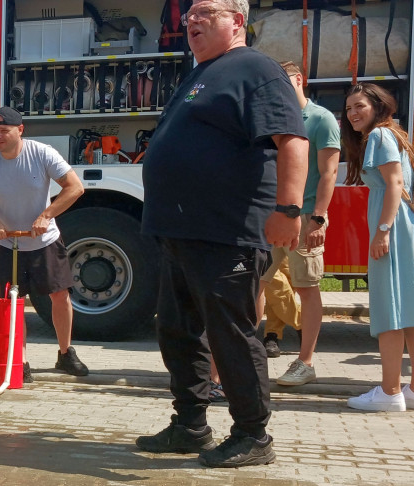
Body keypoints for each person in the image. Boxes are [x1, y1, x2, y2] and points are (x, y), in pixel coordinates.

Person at [135, 0, 308, 468]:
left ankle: (253, 435)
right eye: (190, 13)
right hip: (179, 230)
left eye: (206, 11)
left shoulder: (255, 67)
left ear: (237, 21)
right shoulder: (202, 73)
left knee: (231, 334)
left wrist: (289, 210)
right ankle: (190, 424)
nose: (192, 19)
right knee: (178, 331)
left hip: (224, 231)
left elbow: (292, 139)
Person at [0, 106, 89, 380]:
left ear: (20, 130)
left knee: (60, 296)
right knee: (12, 302)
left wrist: (47, 215)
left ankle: (65, 353)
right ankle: (20, 360)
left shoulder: (41, 153)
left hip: (45, 240)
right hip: (11, 245)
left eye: (4, 131)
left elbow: (75, 188)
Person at [341, 83, 414, 412]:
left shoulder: (379, 137)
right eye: (348, 109)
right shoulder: (394, 135)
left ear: (378, 106)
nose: (353, 113)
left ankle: (389, 392)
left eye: (359, 106)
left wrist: (382, 230)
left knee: (390, 312)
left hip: (395, 229)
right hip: (413, 230)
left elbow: (394, 184)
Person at [256, 60, 340, 386]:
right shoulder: (274, 118)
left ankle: (305, 362)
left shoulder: (321, 119)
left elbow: (329, 173)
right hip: (274, 215)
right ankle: (243, 355)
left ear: (300, 80)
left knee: (306, 287)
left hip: (305, 217)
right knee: (255, 282)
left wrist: (319, 217)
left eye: (285, 81)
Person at [261, 260, 302, 358]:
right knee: (272, 278)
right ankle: (302, 323)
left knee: (288, 277)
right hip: (265, 245)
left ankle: (272, 333)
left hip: (294, 245)